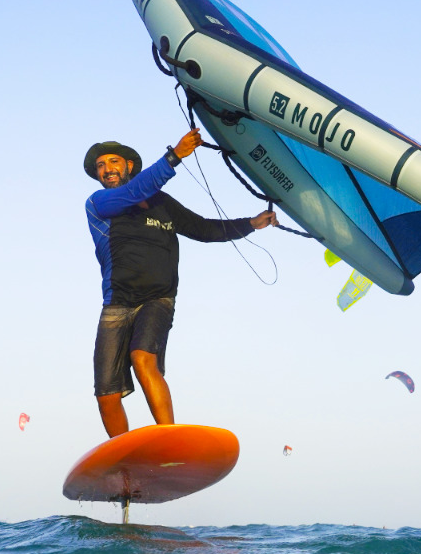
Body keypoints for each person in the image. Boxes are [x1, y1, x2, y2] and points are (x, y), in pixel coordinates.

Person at [83, 128, 278, 438]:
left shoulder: (162, 204)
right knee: (106, 394)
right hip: (117, 304)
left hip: (157, 299)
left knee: (142, 357)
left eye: (113, 162)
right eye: (101, 166)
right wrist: (174, 157)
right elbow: (134, 193)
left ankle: (169, 438)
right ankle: (125, 461)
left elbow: (202, 228)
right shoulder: (100, 203)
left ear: (129, 166)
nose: (107, 170)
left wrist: (251, 224)